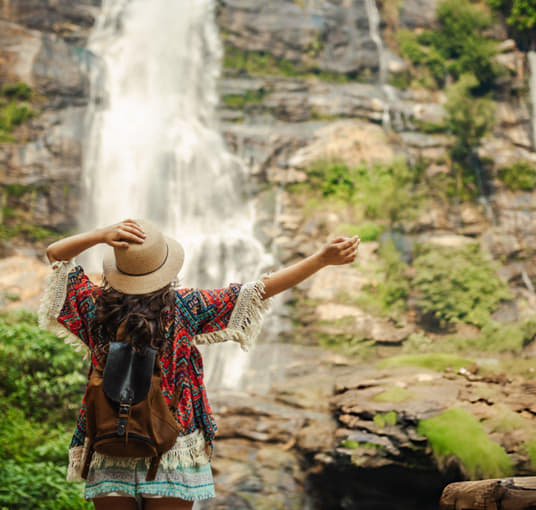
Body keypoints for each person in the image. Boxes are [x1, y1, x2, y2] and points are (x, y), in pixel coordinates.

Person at [39, 218, 360, 510]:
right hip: (173, 445)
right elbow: (259, 291)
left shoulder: (94, 308)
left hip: (109, 440)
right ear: (166, 269)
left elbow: (56, 255)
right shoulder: (186, 307)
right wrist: (322, 259)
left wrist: (101, 235)